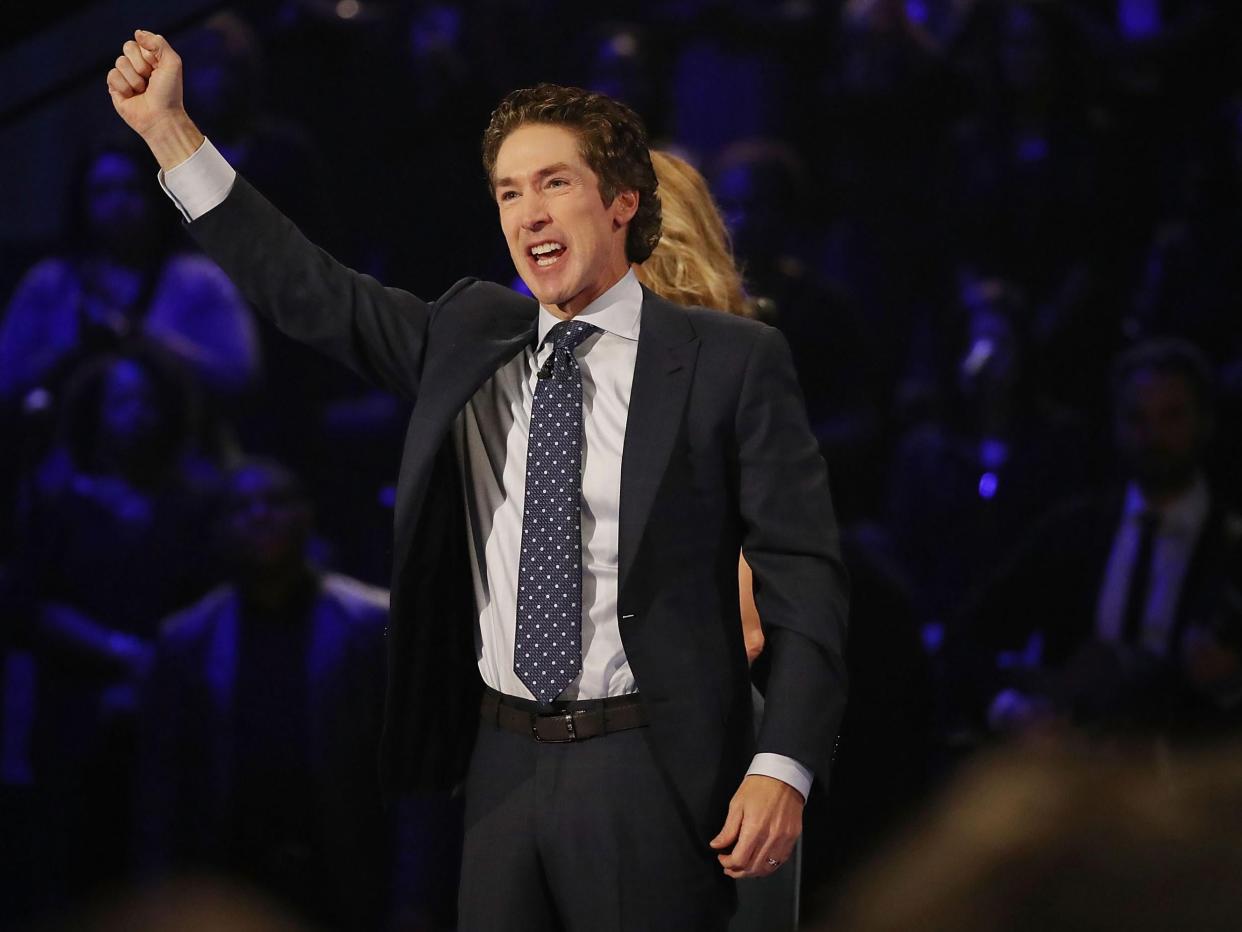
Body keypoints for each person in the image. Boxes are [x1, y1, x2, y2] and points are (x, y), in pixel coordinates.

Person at [107, 29, 849, 931]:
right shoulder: (469, 337)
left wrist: (784, 766)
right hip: (499, 763)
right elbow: (306, 287)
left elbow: (806, 581)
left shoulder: (726, 361)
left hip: (646, 760)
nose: (529, 212)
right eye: (509, 192)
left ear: (623, 205)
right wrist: (171, 134)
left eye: (554, 184)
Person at [140, 460, 398, 930]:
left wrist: (416, 899)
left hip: (350, 874)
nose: (261, 515)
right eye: (243, 507)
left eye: (277, 501)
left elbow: (413, 773)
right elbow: (163, 785)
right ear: (220, 528)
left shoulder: (372, 624)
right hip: (229, 877)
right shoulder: (186, 640)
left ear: (307, 514)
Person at [957, 339, 1242, 738]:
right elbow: (966, 642)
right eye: (1137, 418)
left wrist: (1230, 686)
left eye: (1172, 417)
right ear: (1116, 425)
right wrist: (1010, 710)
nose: (1153, 435)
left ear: (1204, 422)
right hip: (1075, 776)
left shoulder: (1230, 546)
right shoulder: (1074, 530)